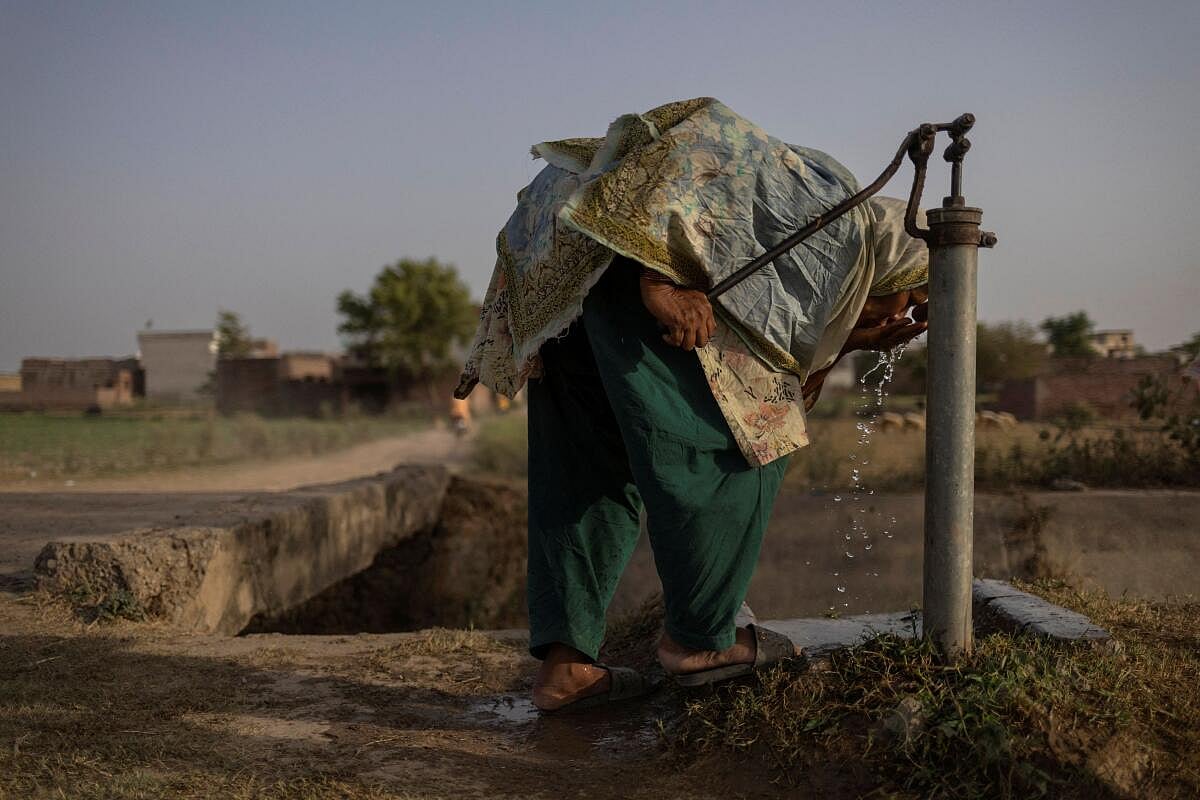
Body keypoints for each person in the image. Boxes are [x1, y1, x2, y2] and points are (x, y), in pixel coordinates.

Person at [455, 98, 930, 712]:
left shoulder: (817, 269)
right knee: (742, 443)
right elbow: (701, 137)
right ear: (888, 269)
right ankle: (699, 642)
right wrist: (659, 281)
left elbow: (790, 359)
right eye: (907, 299)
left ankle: (565, 670)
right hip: (623, 265)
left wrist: (850, 342)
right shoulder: (833, 220)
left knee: (586, 470)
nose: (901, 317)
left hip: (567, 270)